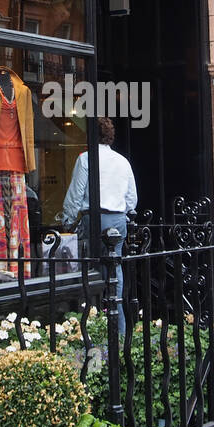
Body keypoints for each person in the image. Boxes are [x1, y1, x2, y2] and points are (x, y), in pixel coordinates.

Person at [59, 117, 138, 336]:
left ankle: (93, 328)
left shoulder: (86, 158)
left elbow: (76, 194)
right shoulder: (122, 161)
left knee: (91, 274)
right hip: (118, 220)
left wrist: (67, 221)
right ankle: (119, 331)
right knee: (115, 272)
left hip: (94, 219)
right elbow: (132, 199)